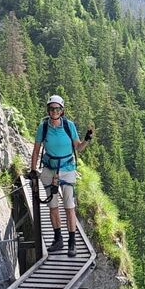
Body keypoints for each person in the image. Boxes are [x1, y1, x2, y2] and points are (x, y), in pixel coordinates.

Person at [29, 95, 92, 257]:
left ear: (62, 110)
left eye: (57, 109)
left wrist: (86, 140)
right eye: (51, 108)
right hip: (50, 169)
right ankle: (58, 239)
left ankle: (72, 242)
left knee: (69, 206)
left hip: (67, 169)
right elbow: (36, 150)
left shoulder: (69, 126)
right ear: (48, 110)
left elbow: (78, 148)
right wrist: (33, 171)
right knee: (53, 206)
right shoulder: (43, 127)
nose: (54, 111)